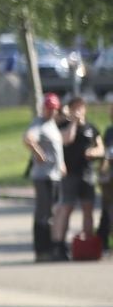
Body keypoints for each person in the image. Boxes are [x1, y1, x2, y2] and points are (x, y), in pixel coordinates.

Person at [56, 93, 103, 252]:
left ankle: (88, 242)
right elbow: (67, 139)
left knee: (88, 208)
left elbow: (100, 148)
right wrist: (74, 123)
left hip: (87, 173)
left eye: (80, 107)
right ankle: (60, 244)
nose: (78, 111)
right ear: (69, 110)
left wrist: (94, 152)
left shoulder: (91, 128)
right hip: (70, 173)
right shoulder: (63, 126)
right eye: (74, 108)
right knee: (66, 207)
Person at [24, 92, 67, 261]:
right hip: (43, 176)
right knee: (44, 213)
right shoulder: (39, 123)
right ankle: (42, 250)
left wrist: (61, 164)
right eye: (49, 108)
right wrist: (38, 153)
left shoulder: (52, 125)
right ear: (43, 108)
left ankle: (51, 247)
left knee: (53, 212)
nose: (51, 111)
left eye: (54, 109)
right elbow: (28, 138)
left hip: (54, 175)